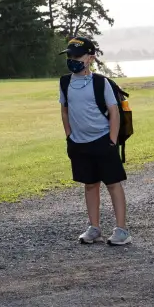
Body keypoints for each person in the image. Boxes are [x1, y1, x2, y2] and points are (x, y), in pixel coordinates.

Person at [59, 36, 131, 246]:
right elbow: (64, 110)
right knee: (90, 185)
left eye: (77, 55)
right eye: (70, 55)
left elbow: (114, 112)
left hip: (103, 141)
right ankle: (94, 228)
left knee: (112, 184)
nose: (72, 59)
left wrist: (111, 140)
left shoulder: (101, 83)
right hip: (79, 143)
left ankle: (122, 230)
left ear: (90, 58)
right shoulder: (65, 82)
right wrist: (69, 135)